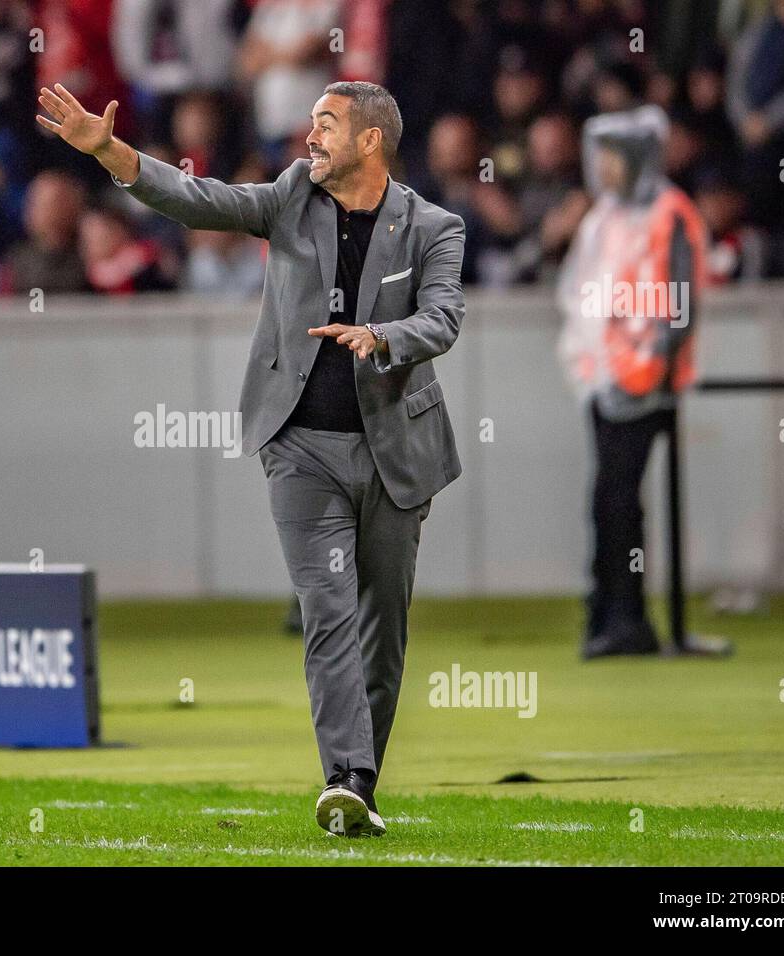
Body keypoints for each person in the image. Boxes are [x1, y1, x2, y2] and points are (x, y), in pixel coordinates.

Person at [38, 79, 465, 837]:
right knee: (326, 607)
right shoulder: (291, 195)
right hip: (299, 447)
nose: (311, 137)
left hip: (397, 451)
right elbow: (199, 199)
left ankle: (361, 783)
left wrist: (384, 337)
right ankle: (347, 776)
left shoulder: (434, 226)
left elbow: (443, 316)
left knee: (383, 630)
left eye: (327, 125)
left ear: (370, 141)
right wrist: (111, 153)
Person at [556, 106, 708, 660]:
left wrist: (657, 364)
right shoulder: (605, 218)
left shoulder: (669, 214)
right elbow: (583, 297)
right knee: (611, 500)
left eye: (613, 157)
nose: (604, 168)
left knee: (616, 499)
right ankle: (613, 613)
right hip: (607, 380)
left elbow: (680, 304)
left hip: (645, 382)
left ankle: (624, 617)